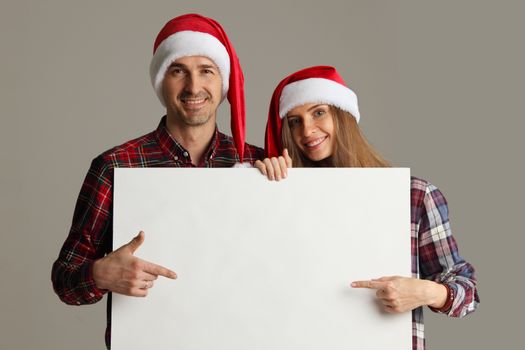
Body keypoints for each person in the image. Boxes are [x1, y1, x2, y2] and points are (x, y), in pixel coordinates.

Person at [51, 14, 263, 349]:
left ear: (222, 82)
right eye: (178, 71)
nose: (194, 87)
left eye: (206, 70)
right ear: (161, 81)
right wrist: (99, 274)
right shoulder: (115, 166)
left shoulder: (260, 167)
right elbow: (65, 279)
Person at [255, 65, 479, 349]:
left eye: (319, 112)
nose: (307, 130)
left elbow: (467, 292)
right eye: (294, 122)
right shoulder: (282, 199)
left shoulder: (414, 196)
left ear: (343, 113)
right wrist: (259, 187)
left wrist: (426, 291)